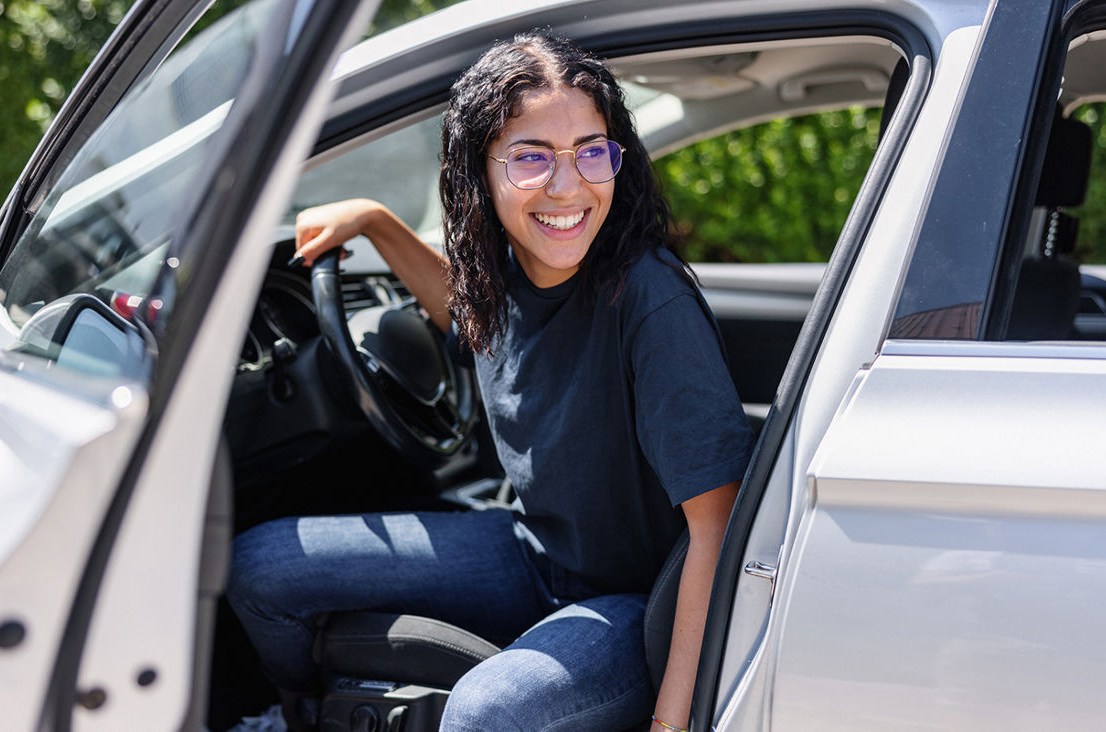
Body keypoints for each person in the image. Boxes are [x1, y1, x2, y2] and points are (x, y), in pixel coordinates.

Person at [226, 31, 754, 732]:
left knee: (482, 713)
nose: (568, 187)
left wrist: (674, 721)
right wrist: (377, 223)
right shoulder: (509, 266)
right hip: (531, 552)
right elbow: (472, 316)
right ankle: (294, 716)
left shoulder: (650, 302)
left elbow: (717, 531)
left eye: (590, 152)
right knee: (259, 567)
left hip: (632, 602)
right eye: (532, 157)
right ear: (482, 171)